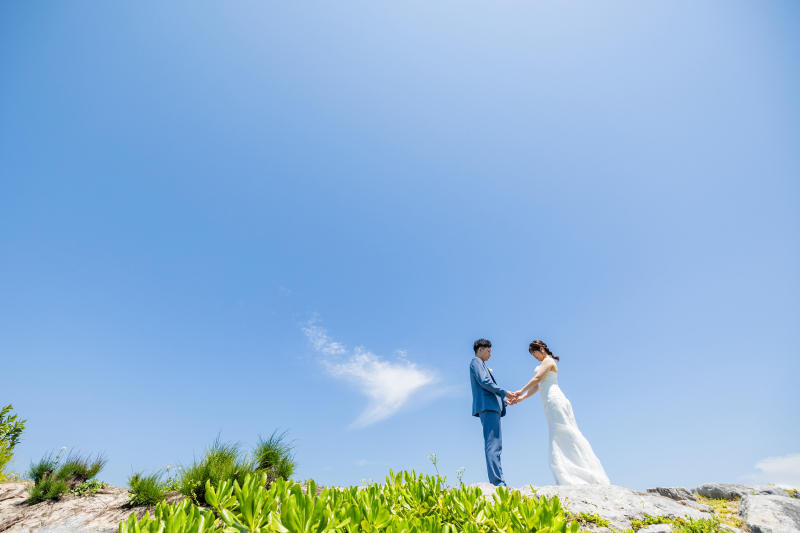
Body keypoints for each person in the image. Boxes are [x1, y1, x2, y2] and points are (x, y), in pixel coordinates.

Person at [511, 340, 610, 485]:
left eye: (534, 353)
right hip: (547, 401)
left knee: (565, 432)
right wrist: (521, 398)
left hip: (554, 398)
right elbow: (537, 386)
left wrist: (520, 390)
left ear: (541, 348)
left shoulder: (548, 361)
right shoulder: (542, 364)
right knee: (557, 432)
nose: (534, 357)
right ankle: (568, 472)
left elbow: (537, 378)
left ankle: (582, 472)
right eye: (532, 355)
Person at [469, 339, 519, 486]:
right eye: (489, 351)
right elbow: (485, 382)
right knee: (493, 445)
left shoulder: (482, 364)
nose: (490, 354)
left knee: (496, 446)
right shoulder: (476, 362)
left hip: (493, 407)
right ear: (480, 350)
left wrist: (505, 402)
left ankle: (499, 480)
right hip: (488, 407)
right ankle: (497, 482)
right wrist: (505, 393)